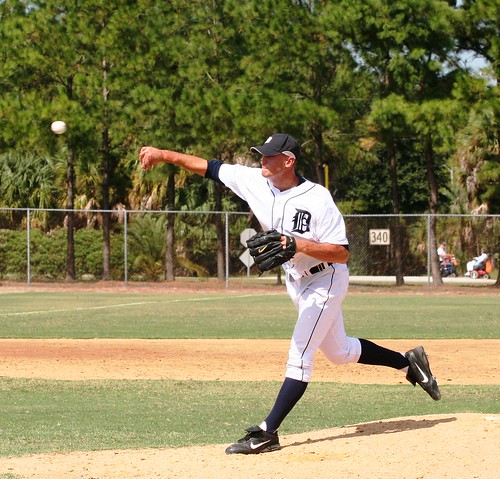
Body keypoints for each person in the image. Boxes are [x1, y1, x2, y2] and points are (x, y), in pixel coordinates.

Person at [139, 133, 441, 455]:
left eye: (269, 156)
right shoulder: (254, 180)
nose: (262, 161)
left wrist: (298, 244)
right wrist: (162, 153)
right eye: (261, 155)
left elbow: (341, 253)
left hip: (326, 281)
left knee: (300, 354)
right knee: (340, 352)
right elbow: (209, 167)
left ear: (289, 161)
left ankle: (268, 432)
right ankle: (408, 363)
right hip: (296, 283)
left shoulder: (318, 198)